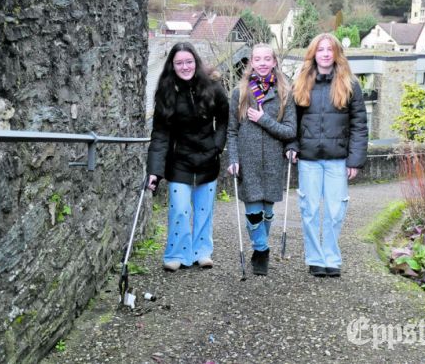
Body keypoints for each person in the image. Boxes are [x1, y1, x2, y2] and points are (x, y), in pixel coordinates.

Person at [286, 33, 368, 278]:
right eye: (319, 50)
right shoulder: (300, 82)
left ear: (336, 54)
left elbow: (359, 125)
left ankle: (331, 258)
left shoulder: (350, 84)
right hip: (308, 159)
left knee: (335, 211)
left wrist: (355, 160)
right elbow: (291, 121)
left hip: (338, 159)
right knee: (309, 211)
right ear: (313, 54)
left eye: (328, 50)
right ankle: (314, 258)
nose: (324, 54)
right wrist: (291, 145)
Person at [146, 42, 229, 271]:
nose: (185, 67)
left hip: (208, 159)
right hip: (179, 160)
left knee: (204, 210)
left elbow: (223, 119)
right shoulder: (165, 93)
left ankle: (202, 251)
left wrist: (217, 146)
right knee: (180, 208)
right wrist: (154, 170)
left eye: (189, 62)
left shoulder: (213, 87)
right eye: (179, 63)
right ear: (172, 66)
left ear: (196, 62)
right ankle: (177, 253)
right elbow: (160, 135)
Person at [227, 44, 297, 276]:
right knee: (253, 211)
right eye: (258, 59)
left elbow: (290, 131)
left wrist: (262, 119)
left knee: (267, 212)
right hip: (249, 162)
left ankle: (260, 248)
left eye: (267, 59)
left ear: (275, 62)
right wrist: (233, 158)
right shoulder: (240, 93)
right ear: (252, 63)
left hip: (274, 163)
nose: (263, 63)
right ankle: (261, 249)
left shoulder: (285, 93)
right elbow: (232, 132)